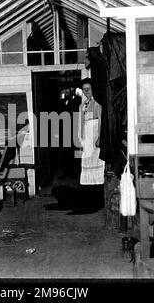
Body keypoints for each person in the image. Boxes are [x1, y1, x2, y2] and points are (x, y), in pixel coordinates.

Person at [68, 78, 105, 214]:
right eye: (84, 89)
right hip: (86, 139)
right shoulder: (82, 105)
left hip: (95, 138)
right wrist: (80, 140)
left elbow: (100, 121)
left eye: (88, 88)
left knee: (97, 169)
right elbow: (80, 124)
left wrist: (100, 138)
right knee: (86, 168)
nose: (86, 91)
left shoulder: (98, 104)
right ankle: (88, 201)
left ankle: (98, 201)